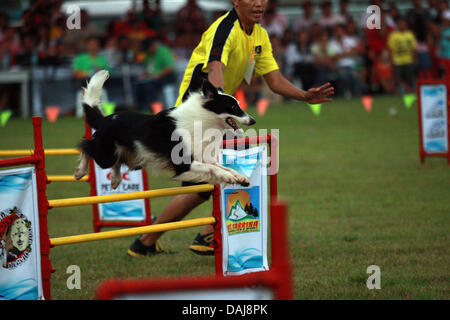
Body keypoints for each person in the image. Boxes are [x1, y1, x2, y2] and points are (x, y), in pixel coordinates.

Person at [127, 0, 334, 258]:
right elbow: (216, 71)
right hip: (197, 117)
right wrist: (223, 113)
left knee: (204, 186)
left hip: (216, 116)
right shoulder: (225, 29)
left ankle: (154, 241)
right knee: (223, 176)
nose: (259, 3)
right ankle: (193, 237)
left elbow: (275, 80)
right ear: (236, 1)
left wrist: (305, 96)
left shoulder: (259, 34)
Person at [387, 16, 417, 93]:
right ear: (397, 25)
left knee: (410, 79)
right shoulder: (393, 35)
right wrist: (391, 61)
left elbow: (414, 49)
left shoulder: (410, 34)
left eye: (403, 24)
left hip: (409, 61)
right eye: (400, 24)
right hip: (397, 62)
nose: (402, 25)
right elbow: (390, 49)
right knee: (398, 80)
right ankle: (398, 94)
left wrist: (415, 60)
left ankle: (411, 93)